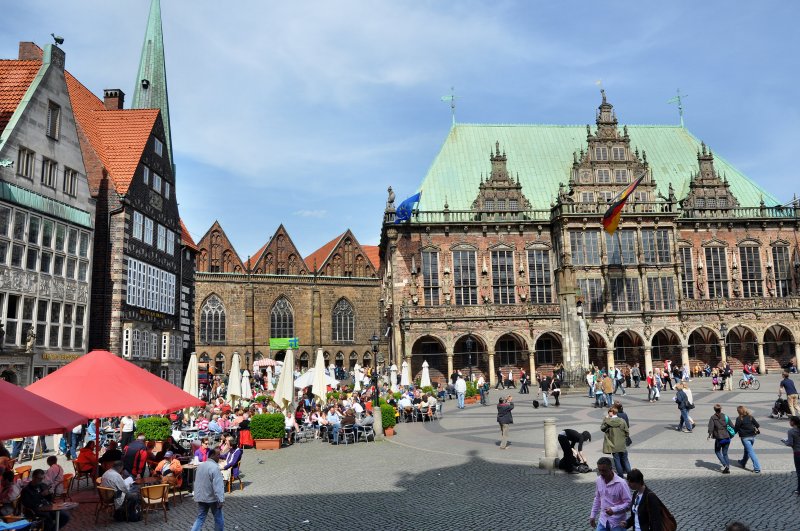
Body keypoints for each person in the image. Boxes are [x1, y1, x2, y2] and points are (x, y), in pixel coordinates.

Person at [589, 456, 632, 531]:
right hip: (603, 521)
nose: (601, 473)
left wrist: (614, 510)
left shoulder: (621, 483)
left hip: (617, 523)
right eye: (599, 470)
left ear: (611, 469)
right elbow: (597, 498)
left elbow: (629, 504)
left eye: (604, 470)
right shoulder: (599, 480)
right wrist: (593, 515)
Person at [191, 448, 225, 531]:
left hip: (202, 497)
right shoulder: (215, 467)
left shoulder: (201, 466)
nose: (219, 457)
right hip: (212, 498)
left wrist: (197, 495)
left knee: (200, 518)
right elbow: (218, 485)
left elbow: (197, 482)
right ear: (212, 455)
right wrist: (220, 499)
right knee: (218, 519)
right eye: (218, 455)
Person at [601, 407, 630, 479]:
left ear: (611, 412)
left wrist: (605, 419)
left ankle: (620, 476)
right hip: (622, 445)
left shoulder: (608, 422)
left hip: (613, 444)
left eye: (609, 412)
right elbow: (627, 432)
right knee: (625, 460)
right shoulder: (622, 421)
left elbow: (602, 428)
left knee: (617, 461)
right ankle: (630, 476)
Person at [708, 403, 735, 474]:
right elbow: (732, 426)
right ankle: (728, 468)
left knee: (717, 451)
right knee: (725, 453)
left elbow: (710, 427)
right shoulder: (726, 417)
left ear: (714, 409)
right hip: (727, 437)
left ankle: (725, 465)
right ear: (721, 409)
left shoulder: (713, 417)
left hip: (719, 438)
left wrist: (709, 435)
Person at [734, 405, 761, 473]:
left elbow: (736, 429)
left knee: (751, 452)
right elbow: (757, 425)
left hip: (745, 438)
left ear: (739, 412)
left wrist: (731, 434)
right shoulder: (750, 417)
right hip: (752, 437)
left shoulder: (739, 418)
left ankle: (757, 468)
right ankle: (743, 462)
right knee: (747, 450)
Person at [782, 415, 800, 495]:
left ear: (793, 422)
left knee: (799, 471)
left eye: (790, 421)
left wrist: (784, 441)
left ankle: (799, 489)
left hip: (797, 453)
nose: (789, 422)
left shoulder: (791, 431)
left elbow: (790, 443)